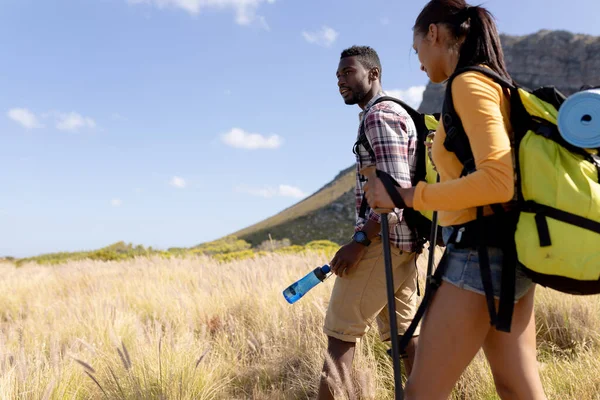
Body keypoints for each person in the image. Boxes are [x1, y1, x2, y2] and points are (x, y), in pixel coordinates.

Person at [363, 1, 547, 399]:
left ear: (434, 34)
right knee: (518, 387)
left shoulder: (467, 83)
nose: (420, 64)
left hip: (478, 258)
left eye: (417, 52)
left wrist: (406, 195)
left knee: (421, 394)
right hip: (509, 254)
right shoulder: (494, 82)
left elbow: (498, 181)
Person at [317, 45, 421, 399]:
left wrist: (359, 242)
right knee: (406, 338)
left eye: (348, 73)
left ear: (373, 73)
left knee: (340, 337)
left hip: (382, 244)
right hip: (403, 245)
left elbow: (392, 193)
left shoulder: (380, 116)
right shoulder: (389, 114)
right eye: (337, 76)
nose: (340, 81)